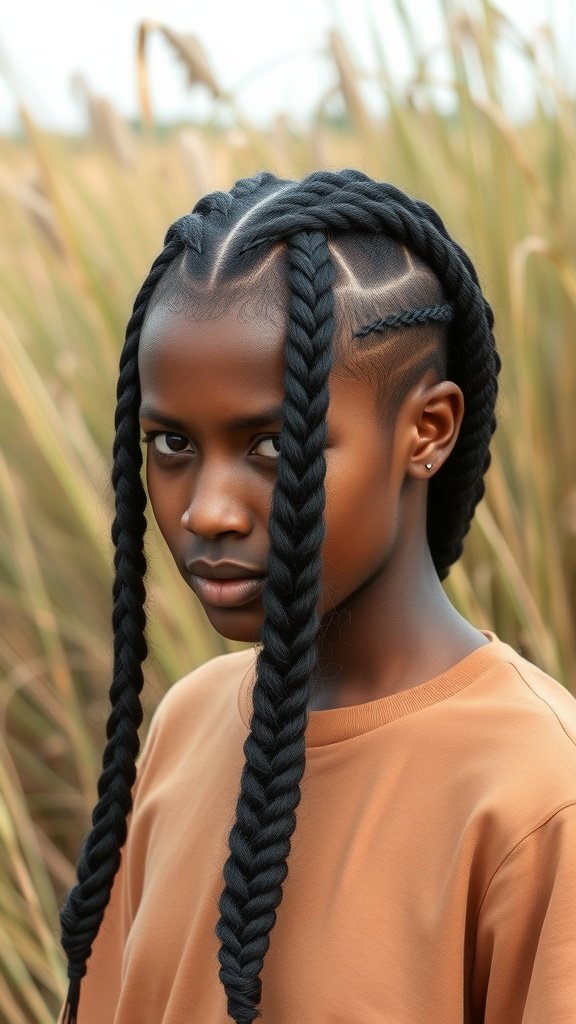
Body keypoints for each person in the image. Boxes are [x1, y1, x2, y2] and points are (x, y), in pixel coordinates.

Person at [59, 170, 576, 1024]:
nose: (208, 511)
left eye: (273, 444)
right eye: (172, 443)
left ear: (427, 431)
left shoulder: (538, 795)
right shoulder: (188, 721)